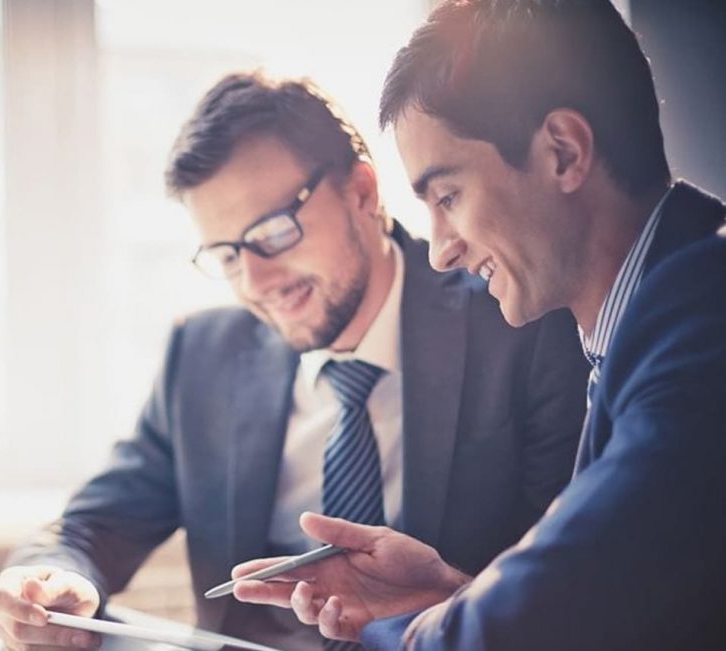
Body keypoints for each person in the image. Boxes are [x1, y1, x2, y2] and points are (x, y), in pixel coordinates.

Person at [0, 71, 589, 651]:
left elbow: (566, 590)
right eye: (226, 255)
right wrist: (45, 579)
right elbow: (92, 525)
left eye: (272, 233)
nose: (255, 280)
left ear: (361, 192)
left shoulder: (519, 323)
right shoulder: (201, 356)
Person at [229, 2, 726, 650]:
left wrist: (405, 631)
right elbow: (614, 602)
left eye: (448, 196)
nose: (440, 251)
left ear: (563, 152)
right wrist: (452, 594)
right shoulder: (646, 321)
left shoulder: (702, 320)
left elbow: (556, 609)